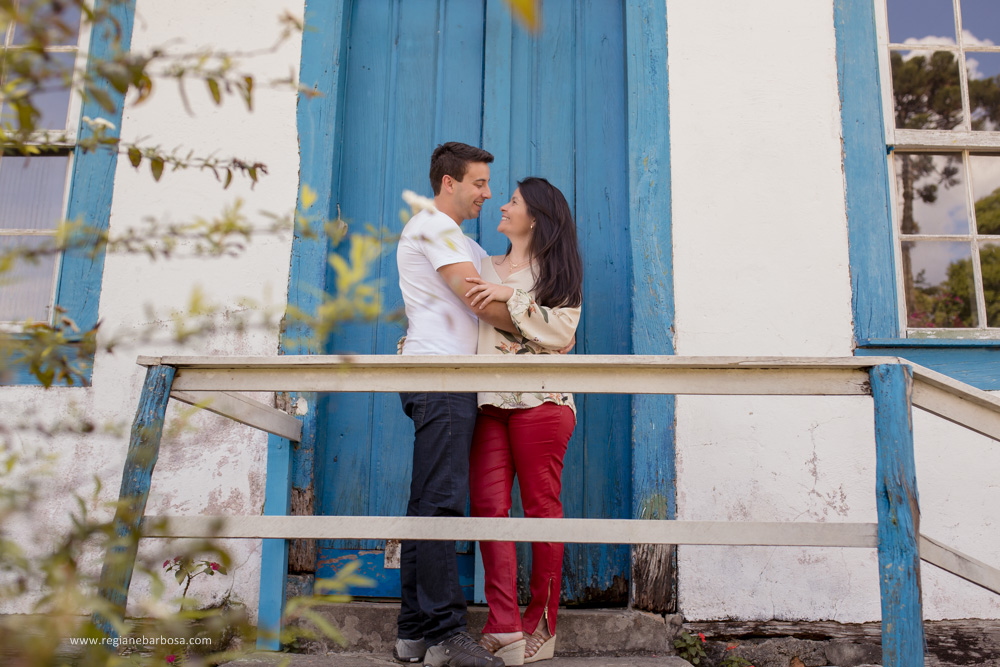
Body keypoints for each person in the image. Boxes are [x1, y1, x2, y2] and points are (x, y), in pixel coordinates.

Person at [394, 141, 516, 667]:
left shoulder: (464, 240)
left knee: (427, 502)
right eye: (479, 183)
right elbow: (478, 297)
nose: (487, 193)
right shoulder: (432, 226)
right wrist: (545, 328)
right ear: (449, 183)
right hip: (441, 376)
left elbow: (505, 281)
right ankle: (446, 635)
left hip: (449, 379)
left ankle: (414, 633)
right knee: (441, 502)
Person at [462, 177, 583, 665]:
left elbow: (563, 334)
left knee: (540, 510)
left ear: (534, 218)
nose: (502, 206)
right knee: (489, 510)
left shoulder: (555, 271)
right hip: (489, 404)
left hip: (542, 402)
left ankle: (542, 624)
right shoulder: (481, 265)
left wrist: (508, 299)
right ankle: (505, 624)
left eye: (513, 201)